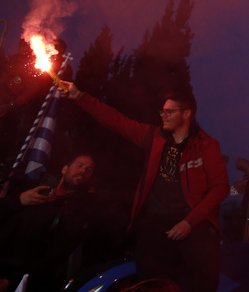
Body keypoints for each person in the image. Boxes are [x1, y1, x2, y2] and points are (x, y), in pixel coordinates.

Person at [60, 83, 229, 292]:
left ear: (186, 114)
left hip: (193, 221)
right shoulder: (153, 137)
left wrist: (189, 222)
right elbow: (117, 122)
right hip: (156, 222)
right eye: (162, 111)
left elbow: (220, 188)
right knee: (151, 281)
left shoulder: (206, 146)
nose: (163, 116)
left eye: (169, 111)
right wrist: (78, 95)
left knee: (205, 268)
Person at [0, 155, 98, 292]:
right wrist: (20, 200)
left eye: (89, 170)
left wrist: (12, 280)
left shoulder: (81, 210)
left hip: (22, 278)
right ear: (65, 169)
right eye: (79, 165)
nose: (83, 171)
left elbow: (57, 254)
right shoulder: (35, 186)